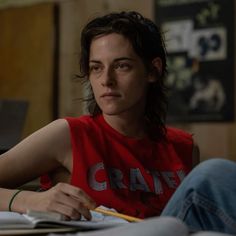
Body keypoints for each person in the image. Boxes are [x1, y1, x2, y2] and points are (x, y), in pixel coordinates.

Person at [0, 11, 235, 234]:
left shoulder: (184, 147)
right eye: (96, 68)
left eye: (122, 66)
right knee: (214, 174)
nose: (106, 80)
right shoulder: (69, 134)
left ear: (153, 70)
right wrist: (29, 199)